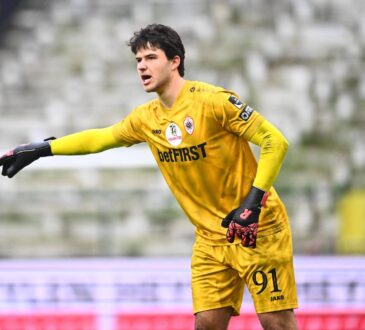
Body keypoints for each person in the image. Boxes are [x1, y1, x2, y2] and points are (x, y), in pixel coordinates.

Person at [0, 24, 298, 330]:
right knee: (207, 323)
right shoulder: (146, 118)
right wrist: (42, 148)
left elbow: (275, 141)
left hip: (256, 227)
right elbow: (100, 139)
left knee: (276, 322)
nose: (142, 65)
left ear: (174, 61)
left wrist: (253, 203)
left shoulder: (214, 102)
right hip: (210, 237)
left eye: (151, 57)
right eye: (138, 60)